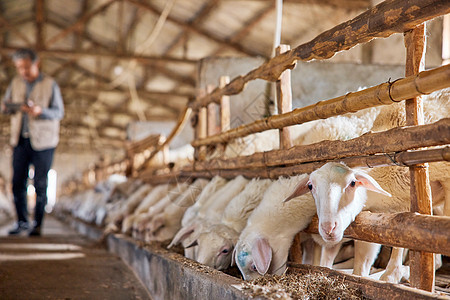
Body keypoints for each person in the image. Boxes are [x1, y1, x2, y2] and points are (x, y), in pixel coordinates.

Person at [1, 48, 64, 236]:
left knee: (41, 182)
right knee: (17, 181)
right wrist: (11, 107)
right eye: (19, 68)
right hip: (20, 139)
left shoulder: (50, 84)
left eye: (26, 67)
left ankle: (37, 224)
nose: (23, 71)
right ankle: (21, 222)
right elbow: (4, 106)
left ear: (36, 64)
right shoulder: (15, 83)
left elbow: (59, 112)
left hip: (44, 141)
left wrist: (40, 111)